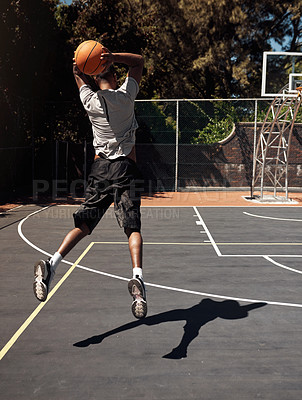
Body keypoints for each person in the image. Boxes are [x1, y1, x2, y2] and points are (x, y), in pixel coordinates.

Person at [33, 48, 147, 319]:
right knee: (132, 227)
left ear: (95, 78)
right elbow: (139, 61)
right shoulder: (127, 96)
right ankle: (138, 280)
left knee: (82, 224)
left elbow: (77, 73)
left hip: (99, 169)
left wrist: (81, 65)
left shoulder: (90, 101)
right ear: (116, 75)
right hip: (124, 168)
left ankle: (52, 262)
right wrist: (111, 56)